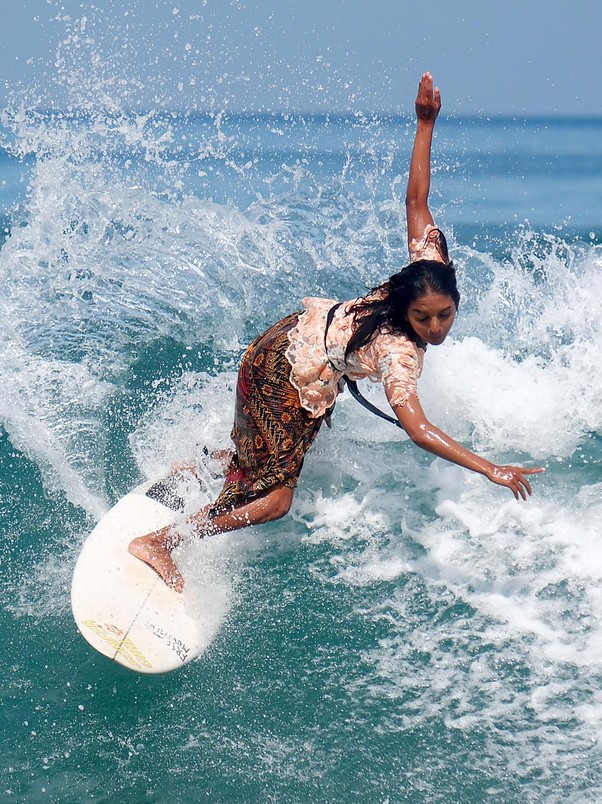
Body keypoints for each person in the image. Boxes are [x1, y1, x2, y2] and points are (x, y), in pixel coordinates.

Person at [129, 72, 544, 592]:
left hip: (280, 342)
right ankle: (163, 542)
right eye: (424, 319)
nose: (434, 328)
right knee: (275, 501)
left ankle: (188, 475)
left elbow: (416, 204)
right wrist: (488, 468)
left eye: (444, 316)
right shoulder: (399, 352)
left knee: (260, 455)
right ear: (405, 309)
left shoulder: (429, 268)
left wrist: (425, 123)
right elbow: (417, 428)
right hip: (287, 374)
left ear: (453, 298)